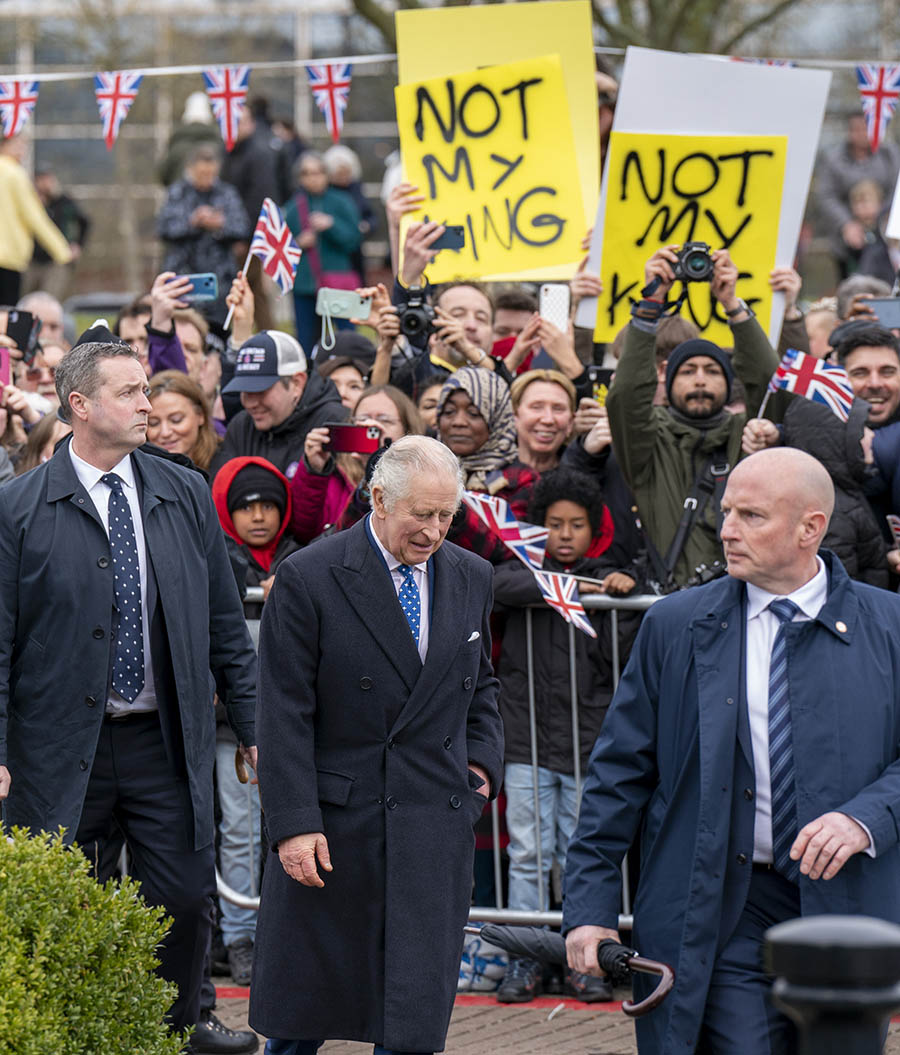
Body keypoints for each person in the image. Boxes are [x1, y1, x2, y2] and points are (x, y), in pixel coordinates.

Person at [564, 446, 900, 1054]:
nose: (727, 532)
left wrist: (864, 817)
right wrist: (589, 905)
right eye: (726, 513)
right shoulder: (675, 625)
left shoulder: (890, 626)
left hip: (846, 907)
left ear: (810, 528)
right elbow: (620, 772)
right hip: (721, 908)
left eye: (751, 516)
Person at [0, 334, 259, 1053]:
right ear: (78, 404)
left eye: (146, 390)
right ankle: (63, 1028)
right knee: (59, 898)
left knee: (181, 890)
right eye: (129, 392)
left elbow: (223, 623)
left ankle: (181, 1023)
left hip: (162, 736)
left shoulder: (180, 491)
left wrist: (255, 724)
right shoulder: (17, 508)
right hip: (55, 744)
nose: (148, 404)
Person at [248, 435, 504, 1054]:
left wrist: (478, 771)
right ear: (379, 498)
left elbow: (483, 686)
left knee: (412, 1020)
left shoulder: (472, 575)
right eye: (422, 513)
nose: (435, 530)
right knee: (300, 1018)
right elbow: (282, 712)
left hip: (429, 821)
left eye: (447, 515)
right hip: (336, 828)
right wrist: (292, 824)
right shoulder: (311, 575)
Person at [492, 468, 639, 1006]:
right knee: (529, 853)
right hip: (527, 743)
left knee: (579, 855)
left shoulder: (605, 579)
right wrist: (555, 585)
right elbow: (493, 584)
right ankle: (526, 960)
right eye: (554, 524)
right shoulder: (523, 574)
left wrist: (619, 594)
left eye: (577, 524)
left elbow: (616, 656)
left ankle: (584, 961)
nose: (565, 534)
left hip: (586, 746)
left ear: (592, 528)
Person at [607, 245, 779, 588]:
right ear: (666, 380)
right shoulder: (649, 443)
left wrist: (732, 304)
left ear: (729, 384)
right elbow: (625, 396)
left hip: (745, 601)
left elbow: (769, 383)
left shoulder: (746, 436)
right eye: (687, 371)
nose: (700, 378)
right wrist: (650, 305)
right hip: (677, 604)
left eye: (712, 371)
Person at [291, 384, 422, 544]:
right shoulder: (334, 471)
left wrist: (379, 464)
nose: (371, 426)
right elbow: (302, 532)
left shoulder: (421, 474)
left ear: (406, 429)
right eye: (362, 420)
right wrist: (313, 472)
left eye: (384, 420)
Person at [215, 329, 346, 480]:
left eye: (260, 390)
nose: (251, 404)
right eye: (244, 391)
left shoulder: (335, 423)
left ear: (297, 383)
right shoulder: (241, 426)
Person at [156, 143, 249, 324]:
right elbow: (164, 228)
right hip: (183, 276)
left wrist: (219, 225)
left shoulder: (227, 193)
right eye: (201, 174)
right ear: (190, 170)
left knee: (218, 330)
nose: (206, 178)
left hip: (220, 278)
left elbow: (242, 227)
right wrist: (194, 222)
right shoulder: (177, 192)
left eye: (210, 174)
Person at [282, 151, 362, 355]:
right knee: (306, 341)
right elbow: (283, 250)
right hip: (305, 285)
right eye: (307, 173)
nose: (313, 178)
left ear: (326, 174)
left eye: (318, 172)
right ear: (300, 178)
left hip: (337, 282)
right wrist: (299, 243)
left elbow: (354, 240)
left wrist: (332, 225)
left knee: (347, 338)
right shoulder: (293, 208)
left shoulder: (341, 201)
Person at [816, 113, 900, 279]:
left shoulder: (889, 155)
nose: (862, 134)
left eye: (866, 128)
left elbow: (896, 188)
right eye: (857, 129)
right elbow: (826, 195)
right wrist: (847, 224)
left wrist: (882, 214)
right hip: (847, 239)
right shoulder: (835, 160)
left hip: (885, 234)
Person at [0, 133, 72, 304]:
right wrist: (61, 250)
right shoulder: (15, 174)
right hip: (8, 257)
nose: (22, 151)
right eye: (18, 145)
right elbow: (34, 216)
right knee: (7, 316)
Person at [26, 162, 90, 299]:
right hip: (32, 259)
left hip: (56, 260)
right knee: (26, 299)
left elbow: (85, 222)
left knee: (49, 298)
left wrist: (77, 245)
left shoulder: (63, 202)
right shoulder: (30, 201)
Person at [147, 370, 221, 472]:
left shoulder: (226, 466)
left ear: (200, 415)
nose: (165, 432)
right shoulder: (139, 472)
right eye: (153, 423)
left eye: (176, 420)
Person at [510, 369, 575, 474]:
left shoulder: (585, 476)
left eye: (558, 409)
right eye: (536, 407)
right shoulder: (489, 477)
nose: (548, 420)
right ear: (514, 415)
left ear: (571, 422)